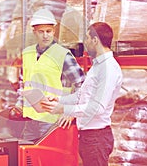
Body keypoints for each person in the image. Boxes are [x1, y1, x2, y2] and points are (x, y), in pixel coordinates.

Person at [41, 22, 123, 166]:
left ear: (95, 40)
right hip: (88, 137)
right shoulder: (97, 66)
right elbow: (82, 96)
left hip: (96, 137)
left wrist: (64, 109)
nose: (85, 42)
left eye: (87, 38)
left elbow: (97, 108)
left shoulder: (108, 69)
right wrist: (59, 99)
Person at [20, 8, 85, 141]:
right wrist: (18, 106)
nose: (45, 35)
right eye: (41, 32)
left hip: (52, 120)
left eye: (48, 31)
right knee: (28, 158)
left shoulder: (62, 54)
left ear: (54, 31)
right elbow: (24, 82)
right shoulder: (27, 53)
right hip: (30, 118)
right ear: (34, 32)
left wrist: (71, 111)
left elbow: (82, 84)